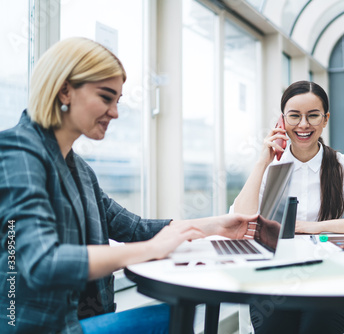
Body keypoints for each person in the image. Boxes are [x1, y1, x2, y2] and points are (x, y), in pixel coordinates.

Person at [0, 37, 257, 334]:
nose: (115, 112)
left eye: (118, 101)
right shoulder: (15, 153)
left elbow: (133, 229)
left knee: (183, 312)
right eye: (106, 97)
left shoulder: (79, 169)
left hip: (81, 320)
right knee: (178, 319)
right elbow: (42, 261)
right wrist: (151, 249)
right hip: (43, 327)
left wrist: (216, 226)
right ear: (65, 90)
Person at [233, 80, 344, 334]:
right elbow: (239, 219)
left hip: (332, 277)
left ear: (325, 119)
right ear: (282, 120)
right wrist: (262, 161)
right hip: (273, 279)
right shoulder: (271, 166)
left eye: (313, 116)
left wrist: (312, 227)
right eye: (294, 116)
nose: (303, 124)